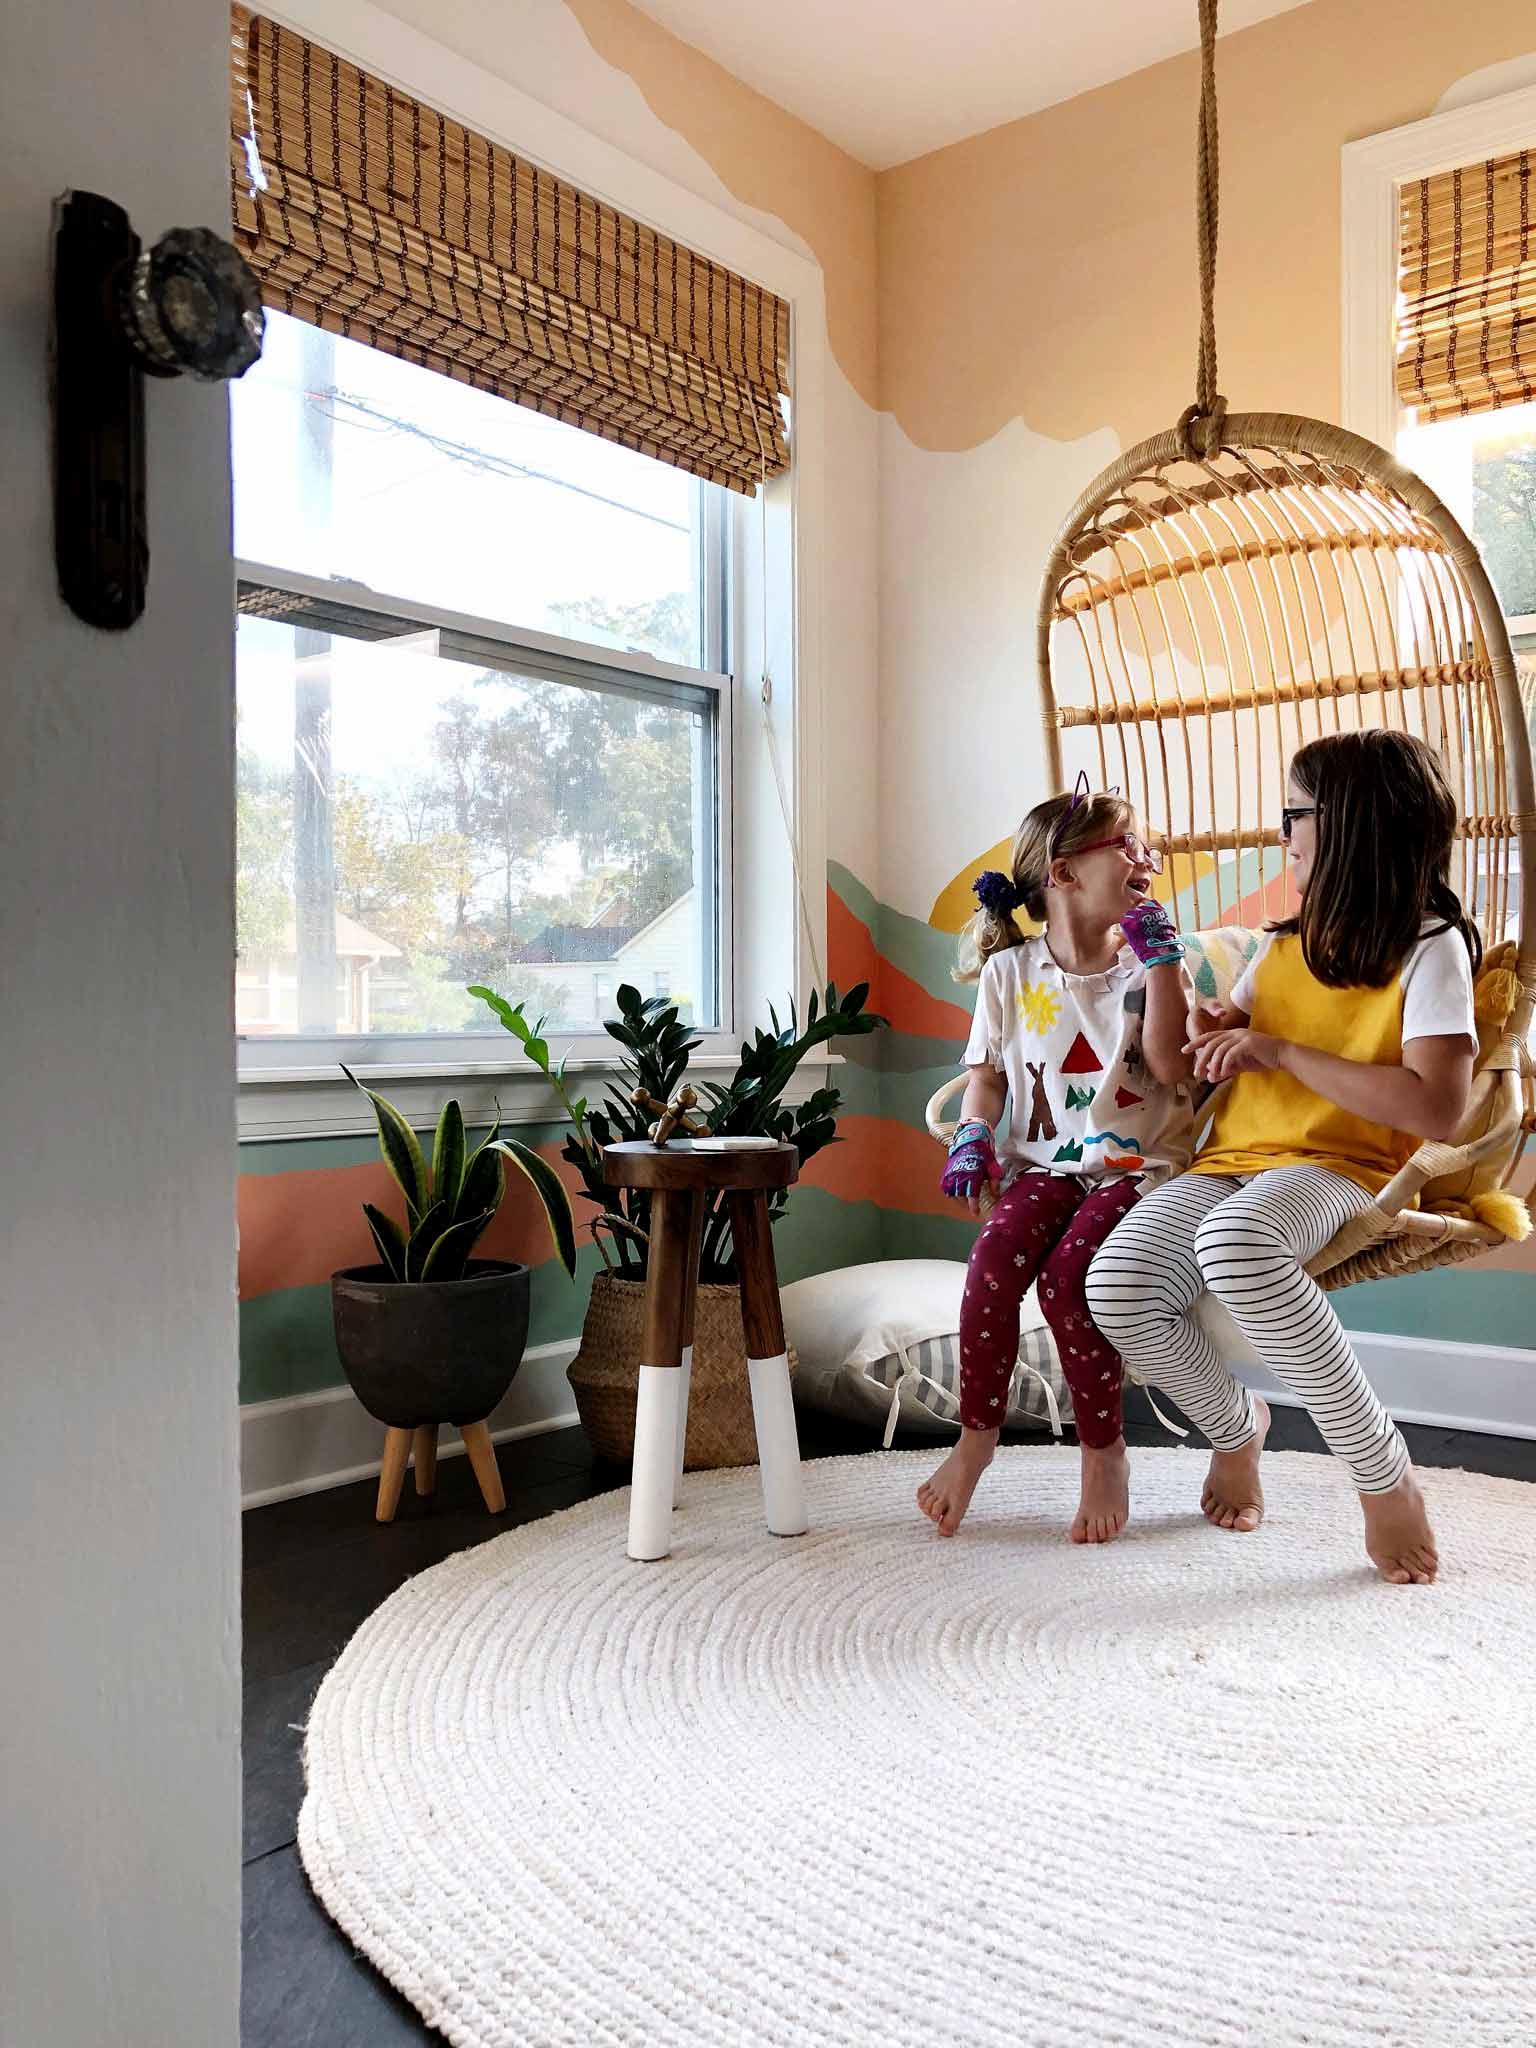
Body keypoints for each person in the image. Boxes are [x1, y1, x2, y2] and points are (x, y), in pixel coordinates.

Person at [1086, 730, 1479, 1586]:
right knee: (1116, 1286)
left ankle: (1382, 1472)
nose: (1282, 834)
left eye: (1292, 814)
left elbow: (1439, 1109)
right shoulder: (1282, 944)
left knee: (1235, 1245)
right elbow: (1204, 1060)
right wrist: (1200, 1017)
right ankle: (1236, 1427)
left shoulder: (1429, 946)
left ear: (1351, 828)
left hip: (1342, 1164)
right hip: (1234, 1157)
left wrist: (1283, 1054)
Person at [917, 778, 1196, 1545]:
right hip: (1046, 1164)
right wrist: (974, 1137)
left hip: (1138, 1166)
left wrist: (1166, 964)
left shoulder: (1153, 963)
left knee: (1069, 1278)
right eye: (1128, 845)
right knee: (993, 1266)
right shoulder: (1010, 973)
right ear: (1064, 874)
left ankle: (1103, 1452)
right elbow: (986, 1080)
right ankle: (976, 1441)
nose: (1149, 857)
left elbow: (1171, 1069)